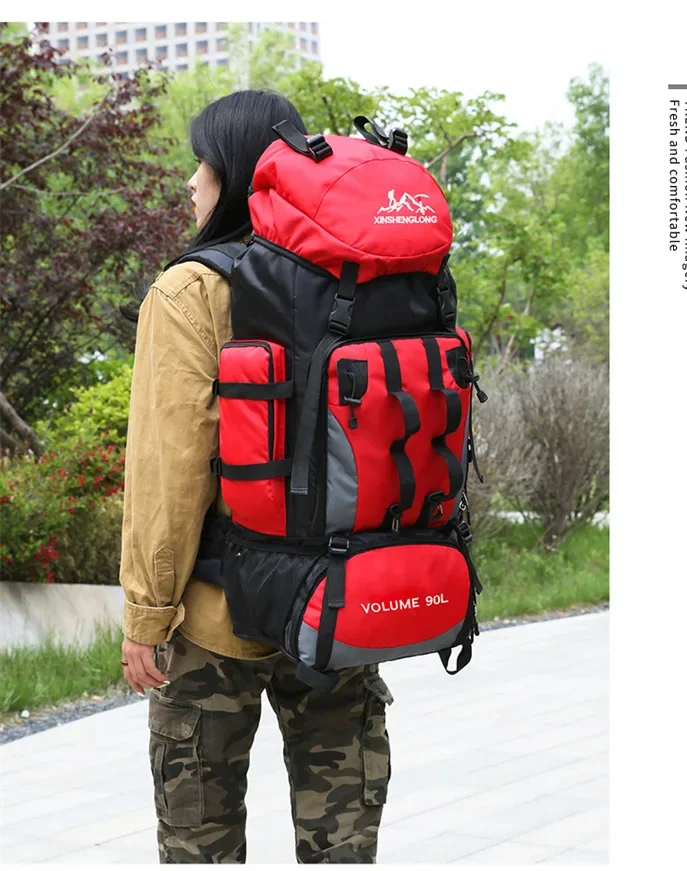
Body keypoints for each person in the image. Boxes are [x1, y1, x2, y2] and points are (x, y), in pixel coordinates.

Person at [119, 89, 393, 865]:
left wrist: (147, 612)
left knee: (200, 848)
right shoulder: (359, 274)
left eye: (202, 164)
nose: (191, 182)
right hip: (339, 607)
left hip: (217, 617)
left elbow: (170, 467)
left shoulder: (191, 289)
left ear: (233, 173)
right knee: (343, 849)